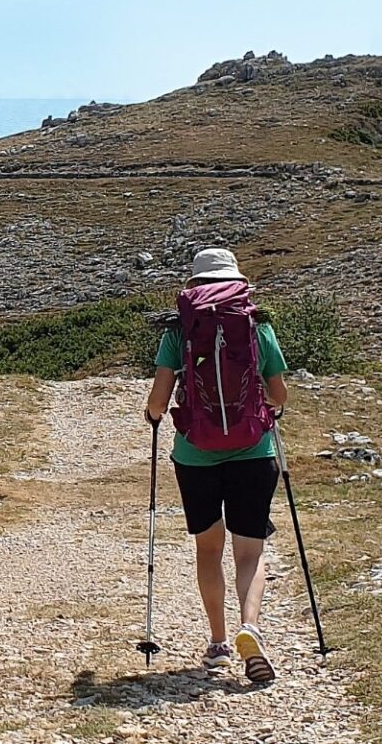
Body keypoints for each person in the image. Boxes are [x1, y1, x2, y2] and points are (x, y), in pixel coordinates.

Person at [143, 248, 288, 683]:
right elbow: (279, 395)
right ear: (236, 283)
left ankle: (220, 642)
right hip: (254, 451)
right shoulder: (257, 327)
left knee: (209, 549)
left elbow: (158, 400)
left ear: (194, 286)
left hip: (195, 454)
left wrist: (153, 417)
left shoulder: (179, 332)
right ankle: (251, 628)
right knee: (250, 551)